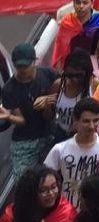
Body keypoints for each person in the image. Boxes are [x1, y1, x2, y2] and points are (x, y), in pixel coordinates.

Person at [45, 98, 99, 210]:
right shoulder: (59, 149)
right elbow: (47, 177)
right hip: (68, 209)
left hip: (97, 207)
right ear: (75, 120)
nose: (92, 125)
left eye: (95, 120)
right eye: (86, 121)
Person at [0, 43, 59, 178]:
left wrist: (48, 99)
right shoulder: (9, 89)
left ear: (34, 61)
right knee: (25, 180)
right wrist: (8, 116)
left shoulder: (48, 74)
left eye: (26, 65)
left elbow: (67, 92)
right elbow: (21, 120)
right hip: (25, 140)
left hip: (49, 134)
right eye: (19, 66)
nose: (23, 70)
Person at [53, 0, 99, 69]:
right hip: (73, 64)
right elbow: (60, 48)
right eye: (78, 3)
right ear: (73, 4)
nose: (81, 6)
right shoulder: (66, 22)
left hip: (96, 63)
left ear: (92, 4)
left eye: (85, 3)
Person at [0, 165, 76, 222]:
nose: (51, 193)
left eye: (53, 187)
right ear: (30, 193)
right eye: (43, 190)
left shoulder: (66, 212)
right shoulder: (11, 216)